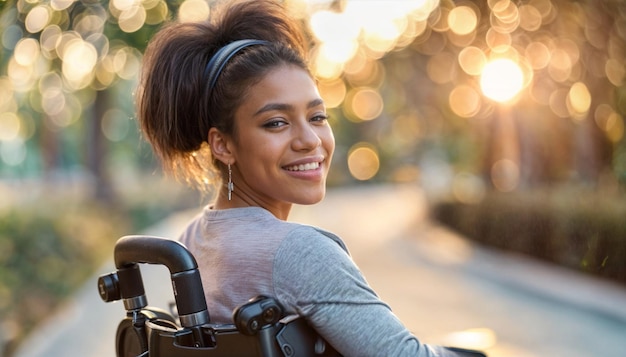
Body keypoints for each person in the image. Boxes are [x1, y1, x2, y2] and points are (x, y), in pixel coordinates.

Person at [136, 1, 485, 356]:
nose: (310, 140)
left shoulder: (189, 243)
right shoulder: (298, 251)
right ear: (223, 145)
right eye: (276, 122)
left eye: (317, 116)